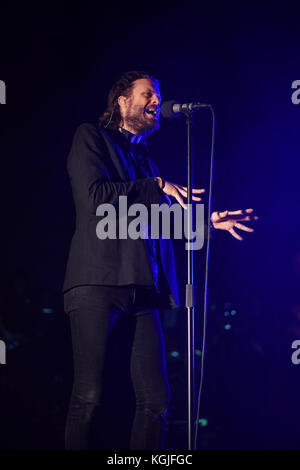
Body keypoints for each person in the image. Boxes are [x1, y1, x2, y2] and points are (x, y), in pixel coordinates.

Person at [63, 70, 257, 450]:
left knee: (156, 399)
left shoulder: (145, 161)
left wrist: (208, 221)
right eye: (147, 93)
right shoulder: (91, 137)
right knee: (89, 396)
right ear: (122, 101)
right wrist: (155, 186)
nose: (156, 100)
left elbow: (161, 220)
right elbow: (96, 197)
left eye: (158, 95)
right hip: (97, 282)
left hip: (141, 287)